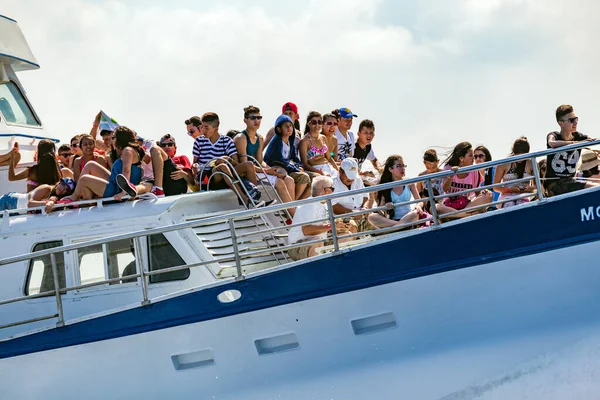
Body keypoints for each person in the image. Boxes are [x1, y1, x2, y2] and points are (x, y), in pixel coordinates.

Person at [234, 106, 296, 214]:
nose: (257, 121)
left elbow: (260, 161)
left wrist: (272, 170)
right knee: (280, 182)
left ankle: (289, 214)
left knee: (289, 179)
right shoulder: (241, 138)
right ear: (245, 120)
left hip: (257, 170)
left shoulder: (260, 138)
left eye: (259, 117)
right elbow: (245, 165)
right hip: (246, 174)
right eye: (253, 118)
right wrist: (268, 171)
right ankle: (294, 217)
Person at [61, 126, 149, 202]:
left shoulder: (127, 150)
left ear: (119, 138)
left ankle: (75, 196)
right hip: (115, 183)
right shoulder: (130, 150)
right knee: (90, 164)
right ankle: (77, 194)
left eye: (113, 137)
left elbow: (127, 171)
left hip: (117, 189)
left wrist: (123, 192)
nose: (112, 140)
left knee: (84, 179)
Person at [192, 112, 258, 206]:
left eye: (206, 127)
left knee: (249, 165)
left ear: (216, 129)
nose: (203, 130)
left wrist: (227, 159)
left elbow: (236, 163)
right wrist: (195, 166)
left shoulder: (226, 141)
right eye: (202, 127)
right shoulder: (199, 141)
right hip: (207, 177)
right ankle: (244, 198)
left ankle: (255, 195)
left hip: (225, 174)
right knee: (222, 167)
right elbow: (194, 163)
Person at [287, 176, 352, 261]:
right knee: (317, 241)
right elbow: (306, 230)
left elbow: (323, 227)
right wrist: (331, 226)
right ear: (326, 190)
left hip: (317, 241)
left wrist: (339, 226)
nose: (333, 192)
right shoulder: (308, 205)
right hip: (297, 246)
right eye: (332, 189)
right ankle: (318, 271)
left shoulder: (323, 204)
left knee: (347, 235)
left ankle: (338, 266)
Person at [545, 104, 598, 196]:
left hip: (570, 182)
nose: (575, 122)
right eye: (571, 120)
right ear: (561, 123)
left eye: (576, 119)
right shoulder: (554, 135)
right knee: (595, 188)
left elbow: (593, 141)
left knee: (595, 187)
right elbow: (551, 143)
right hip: (554, 184)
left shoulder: (578, 137)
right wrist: (573, 144)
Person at [367, 155, 427, 229]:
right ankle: (402, 225)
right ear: (390, 169)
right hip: (391, 221)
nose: (402, 169)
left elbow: (419, 200)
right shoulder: (386, 185)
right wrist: (386, 206)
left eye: (403, 166)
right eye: (399, 166)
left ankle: (396, 228)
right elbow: (380, 208)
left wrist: (418, 206)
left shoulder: (409, 182)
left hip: (408, 217)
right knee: (371, 217)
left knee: (414, 214)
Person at [438, 141, 493, 217]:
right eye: (471, 155)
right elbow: (445, 189)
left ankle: (460, 215)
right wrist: (451, 176)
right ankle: (463, 215)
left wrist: (483, 194)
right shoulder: (448, 167)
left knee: (488, 195)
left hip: (467, 206)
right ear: (461, 158)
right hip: (449, 206)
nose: (474, 158)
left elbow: (477, 192)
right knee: (434, 208)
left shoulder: (475, 171)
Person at [264, 115, 312, 200]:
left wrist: (299, 166)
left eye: (290, 126)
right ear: (279, 129)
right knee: (304, 177)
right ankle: (293, 204)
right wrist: (295, 169)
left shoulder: (290, 140)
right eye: (286, 126)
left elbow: (294, 158)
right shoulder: (276, 142)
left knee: (313, 179)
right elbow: (279, 161)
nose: (289, 128)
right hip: (278, 169)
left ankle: (297, 204)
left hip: (289, 168)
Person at [493, 137, 536, 208]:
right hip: (506, 197)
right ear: (514, 152)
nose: (520, 159)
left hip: (524, 196)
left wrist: (528, 189)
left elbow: (537, 187)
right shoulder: (503, 164)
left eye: (523, 156)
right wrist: (509, 190)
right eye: (518, 155)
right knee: (509, 205)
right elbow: (495, 187)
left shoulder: (532, 163)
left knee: (522, 205)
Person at [331, 158, 372, 232]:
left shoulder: (358, 179)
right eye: (348, 175)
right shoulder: (333, 183)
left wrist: (365, 207)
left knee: (377, 221)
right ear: (340, 171)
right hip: (343, 218)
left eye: (353, 176)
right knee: (352, 227)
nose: (351, 179)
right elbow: (334, 207)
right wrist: (352, 213)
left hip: (360, 214)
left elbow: (366, 196)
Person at [0, 177, 76, 214]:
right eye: (62, 184)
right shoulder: (46, 188)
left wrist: (52, 202)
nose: (62, 189)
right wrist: (49, 203)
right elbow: (30, 204)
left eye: (66, 190)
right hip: (9, 201)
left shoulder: (55, 197)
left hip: (18, 210)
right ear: (59, 182)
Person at [298, 111, 339, 177]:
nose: (317, 125)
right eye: (314, 122)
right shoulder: (305, 141)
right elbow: (305, 164)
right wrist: (320, 172)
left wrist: (338, 170)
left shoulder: (323, 138)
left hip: (328, 167)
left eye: (319, 122)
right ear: (309, 124)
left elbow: (329, 158)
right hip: (316, 170)